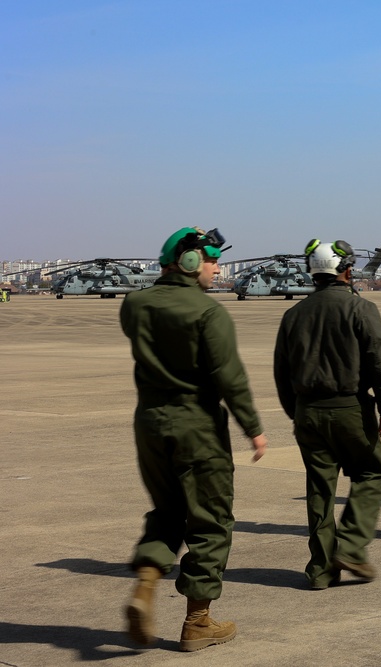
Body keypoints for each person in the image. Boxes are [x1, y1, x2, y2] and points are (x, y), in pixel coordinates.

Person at [120, 226, 268, 652]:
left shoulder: (135, 304)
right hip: (197, 427)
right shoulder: (208, 312)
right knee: (211, 522)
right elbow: (229, 376)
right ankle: (198, 622)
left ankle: (146, 586)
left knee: (167, 512)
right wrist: (253, 428)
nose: (217, 268)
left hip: (149, 424)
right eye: (211, 259)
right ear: (188, 262)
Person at [273, 239, 381, 587]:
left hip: (307, 413)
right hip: (351, 410)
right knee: (371, 473)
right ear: (346, 270)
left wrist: (296, 413)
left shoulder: (293, 314)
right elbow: (380, 363)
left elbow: (281, 374)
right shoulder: (362, 309)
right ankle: (353, 547)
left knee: (319, 488)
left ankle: (321, 569)